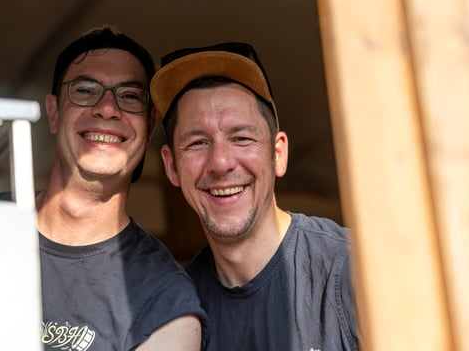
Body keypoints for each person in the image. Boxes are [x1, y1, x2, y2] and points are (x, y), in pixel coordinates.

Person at [0, 26, 207, 350]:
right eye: (85, 90)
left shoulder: (165, 302)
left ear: (150, 126)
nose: (107, 108)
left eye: (130, 96)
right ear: (54, 113)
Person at [149, 42, 360, 351]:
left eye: (241, 138)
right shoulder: (175, 311)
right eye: (197, 143)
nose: (221, 163)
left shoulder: (351, 268)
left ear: (278, 154)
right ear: (171, 166)